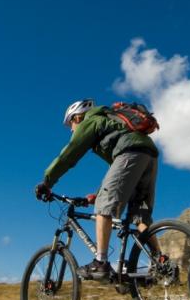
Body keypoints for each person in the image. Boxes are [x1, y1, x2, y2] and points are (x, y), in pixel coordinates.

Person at [34, 99, 159, 281]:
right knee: (140, 216)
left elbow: (70, 153)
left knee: (103, 208)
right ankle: (162, 263)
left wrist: (47, 181)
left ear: (78, 117)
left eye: (71, 123)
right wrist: (98, 193)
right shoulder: (111, 122)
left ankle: (101, 262)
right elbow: (117, 169)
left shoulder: (90, 121)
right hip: (148, 155)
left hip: (130, 153)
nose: (71, 128)